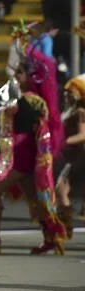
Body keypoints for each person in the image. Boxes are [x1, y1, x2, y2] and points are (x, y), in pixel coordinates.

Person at [0, 31, 66, 255]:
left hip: (20, 156)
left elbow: (35, 128)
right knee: (34, 199)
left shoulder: (34, 101)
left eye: (21, 72)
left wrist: (15, 108)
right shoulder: (13, 93)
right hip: (19, 156)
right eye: (17, 71)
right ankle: (51, 238)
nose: (16, 75)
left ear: (31, 76)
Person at [56, 74, 85, 240]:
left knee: (61, 187)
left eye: (71, 93)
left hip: (78, 157)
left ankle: (66, 227)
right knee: (61, 189)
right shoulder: (66, 111)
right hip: (69, 157)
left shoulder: (80, 112)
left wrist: (64, 141)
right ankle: (65, 227)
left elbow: (83, 135)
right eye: (66, 92)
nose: (67, 95)